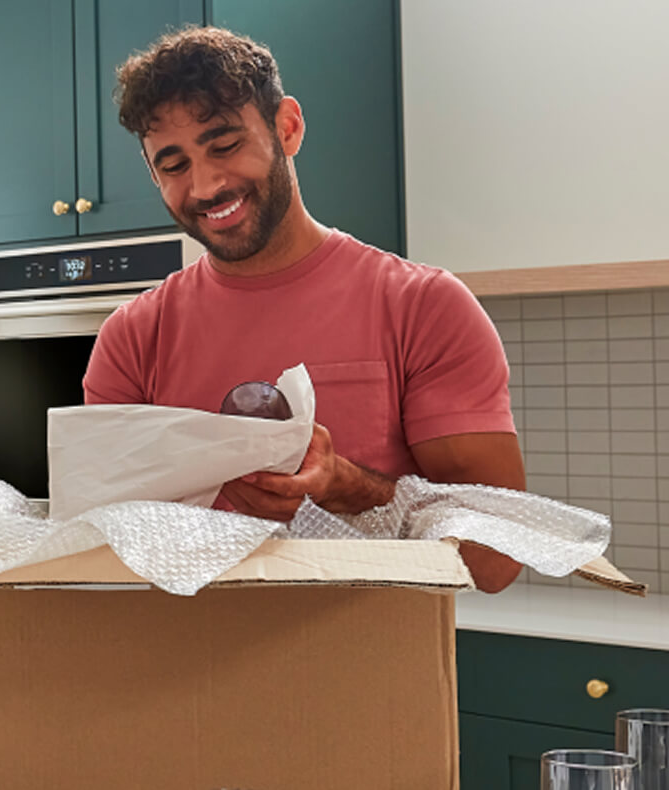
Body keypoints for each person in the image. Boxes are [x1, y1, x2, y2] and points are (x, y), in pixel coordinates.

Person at [84, 27, 525, 591]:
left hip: (368, 671)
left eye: (224, 146)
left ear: (286, 128)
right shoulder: (132, 338)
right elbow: (98, 554)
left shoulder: (423, 307)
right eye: (173, 165)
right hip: (174, 668)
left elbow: (496, 559)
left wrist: (348, 486)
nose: (206, 185)